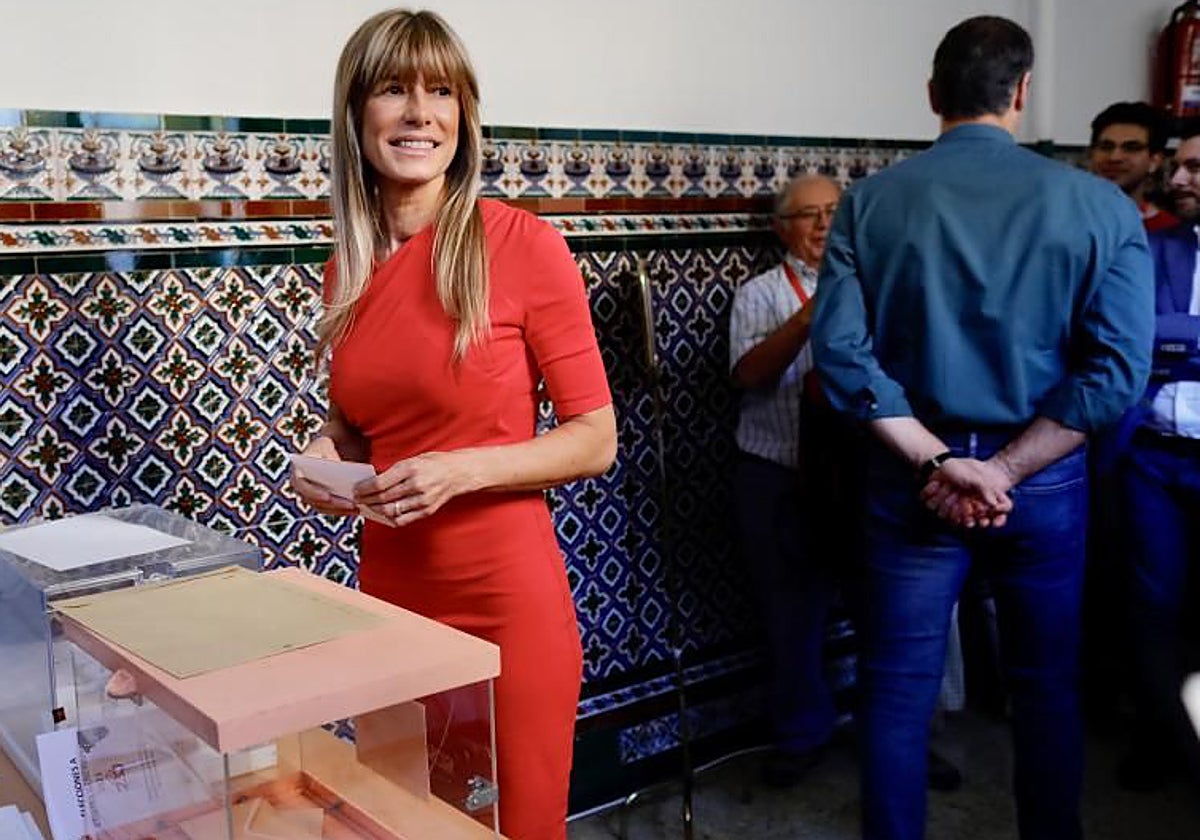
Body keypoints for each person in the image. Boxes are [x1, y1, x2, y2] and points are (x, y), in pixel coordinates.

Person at [811, 15, 1153, 840]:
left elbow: (842, 357)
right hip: (1042, 484)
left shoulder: (870, 203)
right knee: (1046, 687)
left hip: (912, 482)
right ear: (1022, 92)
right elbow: (1115, 372)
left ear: (933, 93)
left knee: (898, 690)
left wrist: (941, 463)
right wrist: (1004, 471)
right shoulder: (1100, 206)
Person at [290, 10, 617, 840]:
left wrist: (460, 468)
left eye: (441, 93)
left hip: (505, 604)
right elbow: (361, 422)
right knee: (404, 820)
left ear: (465, 116)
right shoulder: (346, 265)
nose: (420, 114)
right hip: (391, 598)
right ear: (356, 113)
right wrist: (329, 450)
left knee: (517, 825)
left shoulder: (525, 245)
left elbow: (594, 437)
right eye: (393, 91)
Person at [729, 174, 841, 786]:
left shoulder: (872, 285)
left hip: (855, 479)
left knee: (883, 608)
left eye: (833, 212)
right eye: (808, 215)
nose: (823, 224)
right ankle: (802, 736)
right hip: (778, 476)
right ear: (781, 228)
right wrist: (808, 318)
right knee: (790, 616)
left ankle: (901, 734)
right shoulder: (761, 293)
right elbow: (748, 375)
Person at [1113, 130, 1200, 793]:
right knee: (1152, 604)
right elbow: (1133, 337)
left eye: (1194, 168)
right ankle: (1161, 737)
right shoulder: (1154, 248)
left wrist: (1174, 345)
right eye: (1177, 166)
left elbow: (1163, 341)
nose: (1177, 179)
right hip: (1153, 460)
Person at [1088, 101, 1179, 232]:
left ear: (1154, 161)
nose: (1114, 157)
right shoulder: (1065, 221)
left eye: (1131, 148)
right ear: (1091, 154)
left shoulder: (1171, 232)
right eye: (1105, 147)